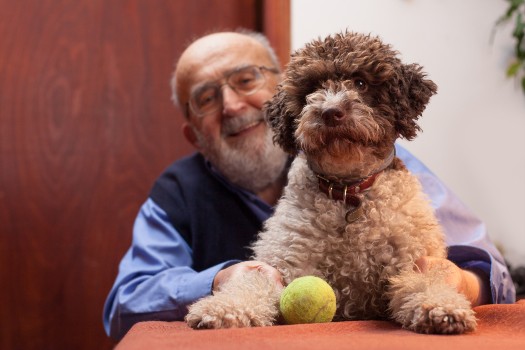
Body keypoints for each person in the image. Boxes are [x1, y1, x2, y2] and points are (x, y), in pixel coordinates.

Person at [103, 30, 516, 340]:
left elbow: (494, 273)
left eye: (245, 79)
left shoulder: (390, 162)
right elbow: (125, 303)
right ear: (193, 132)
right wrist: (218, 282)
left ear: (276, 87)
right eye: (206, 98)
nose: (230, 105)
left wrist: (460, 282)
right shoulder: (175, 193)